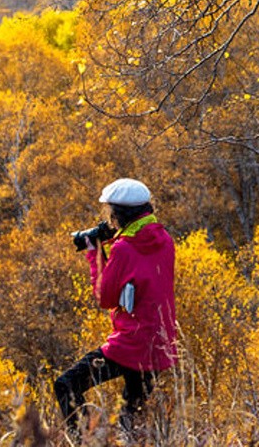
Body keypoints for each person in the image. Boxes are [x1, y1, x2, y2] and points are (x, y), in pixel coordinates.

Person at [54, 178, 177, 435]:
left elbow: (105, 298)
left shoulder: (123, 249)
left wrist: (95, 252)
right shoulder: (165, 240)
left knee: (65, 385)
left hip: (129, 345)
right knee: (129, 422)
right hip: (158, 345)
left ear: (115, 213)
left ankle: (86, 441)